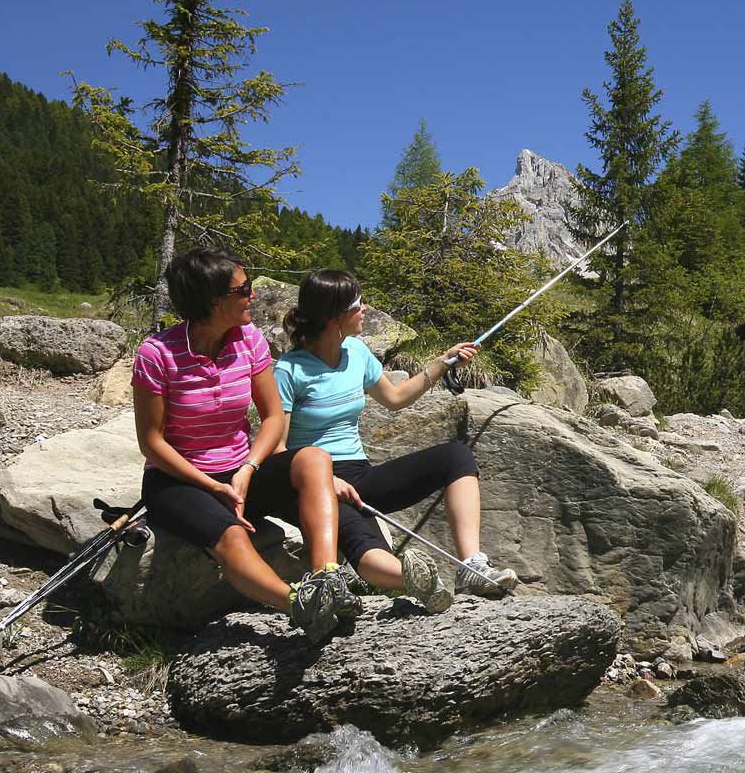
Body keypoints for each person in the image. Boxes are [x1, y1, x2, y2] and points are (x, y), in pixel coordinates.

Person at [130, 249, 448, 643]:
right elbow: (152, 442)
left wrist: (247, 469)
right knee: (231, 535)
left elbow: (274, 419)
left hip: (241, 470)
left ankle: (326, 578)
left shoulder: (248, 340)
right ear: (214, 301)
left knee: (314, 457)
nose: (253, 295)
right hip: (178, 479)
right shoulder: (157, 354)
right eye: (243, 289)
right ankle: (298, 601)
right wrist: (212, 486)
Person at [275, 269, 520, 597]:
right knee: (363, 540)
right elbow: (277, 450)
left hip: (359, 474)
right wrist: (325, 482)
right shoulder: (289, 371)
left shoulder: (357, 353)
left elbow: (395, 398)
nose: (365, 309)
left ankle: (471, 566)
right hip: (314, 483)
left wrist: (443, 363)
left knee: (456, 457)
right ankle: (425, 585)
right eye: (358, 304)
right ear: (335, 317)